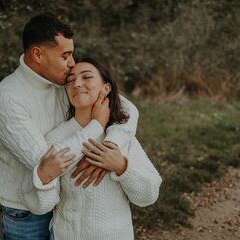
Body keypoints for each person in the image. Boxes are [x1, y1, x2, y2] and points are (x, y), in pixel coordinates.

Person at [0, 14, 139, 240]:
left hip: (67, 203)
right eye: (65, 56)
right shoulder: (6, 99)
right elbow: (47, 162)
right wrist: (96, 125)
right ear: (38, 54)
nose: (72, 63)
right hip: (27, 212)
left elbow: (126, 109)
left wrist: (109, 147)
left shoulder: (64, 82)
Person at [21, 58, 162, 240]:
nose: (77, 84)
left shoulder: (120, 137)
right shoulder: (55, 139)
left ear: (106, 89)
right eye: (70, 80)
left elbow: (148, 196)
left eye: (86, 77)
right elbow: (41, 206)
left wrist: (122, 167)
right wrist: (44, 178)